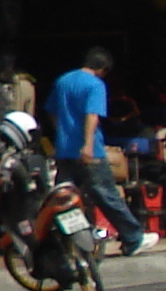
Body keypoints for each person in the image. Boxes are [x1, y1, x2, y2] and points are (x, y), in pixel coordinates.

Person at [48, 46, 157, 257]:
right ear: (103, 69)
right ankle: (133, 238)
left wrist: (62, 136)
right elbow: (92, 116)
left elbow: (52, 113)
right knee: (107, 195)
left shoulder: (62, 81)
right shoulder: (95, 85)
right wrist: (87, 144)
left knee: (65, 200)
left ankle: (66, 246)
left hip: (64, 152)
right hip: (90, 153)